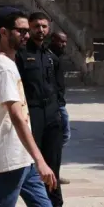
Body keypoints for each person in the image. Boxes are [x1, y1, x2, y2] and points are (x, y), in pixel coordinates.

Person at [0, 9, 55, 207]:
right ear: (3, 32)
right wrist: (40, 160)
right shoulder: (2, 68)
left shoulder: (9, 64)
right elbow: (16, 116)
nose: (26, 35)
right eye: (20, 31)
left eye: (26, 31)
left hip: (23, 155)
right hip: (11, 156)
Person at [15, 13, 64, 206]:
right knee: (31, 166)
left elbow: (59, 86)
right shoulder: (21, 54)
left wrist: (58, 109)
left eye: (44, 26)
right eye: (36, 26)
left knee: (53, 166)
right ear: (29, 27)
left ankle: (55, 203)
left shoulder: (51, 55)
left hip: (52, 115)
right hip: (32, 114)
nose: (41, 30)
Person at [47, 32, 71, 186]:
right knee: (63, 135)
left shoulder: (56, 57)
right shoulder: (48, 57)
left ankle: (53, 170)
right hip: (55, 104)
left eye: (65, 42)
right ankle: (50, 169)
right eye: (61, 41)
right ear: (53, 40)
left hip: (59, 102)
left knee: (61, 137)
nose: (64, 45)